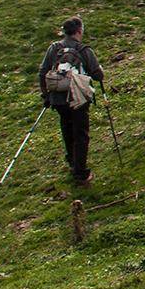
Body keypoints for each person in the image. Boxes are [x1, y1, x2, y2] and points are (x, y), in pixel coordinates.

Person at [37, 16, 104, 185]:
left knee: (67, 129)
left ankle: (72, 161)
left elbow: (43, 71)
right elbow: (97, 75)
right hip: (78, 98)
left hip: (58, 98)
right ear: (79, 31)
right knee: (81, 133)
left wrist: (46, 95)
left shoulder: (54, 48)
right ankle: (80, 172)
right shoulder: (84, 50)